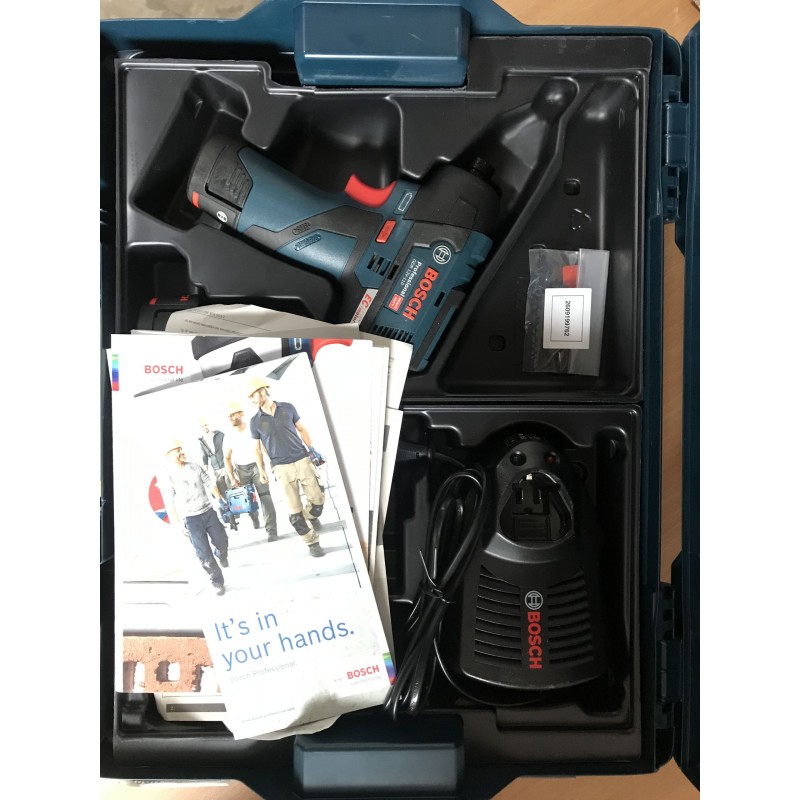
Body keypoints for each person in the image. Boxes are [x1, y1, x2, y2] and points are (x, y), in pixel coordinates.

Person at [247, 375, 326, 558]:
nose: (251, 400)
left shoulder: (287, 408)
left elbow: (302, 429)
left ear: (262, 392)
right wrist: (262, 470)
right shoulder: (255, 421)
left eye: (252, 396)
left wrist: (312, 449)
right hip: (281, 467)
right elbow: (257, 449)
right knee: (295, 513)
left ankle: (311, 516)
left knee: (318, 501)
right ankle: (312, 543)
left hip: (302, 459)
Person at [163, 439, 229, 596]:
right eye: (177, 450)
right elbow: (170, 504)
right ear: (169, 455)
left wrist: (220, 500)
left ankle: (221, 554)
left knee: (222, 541)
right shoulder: (169, 476)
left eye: (181, 449)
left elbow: (209, 483)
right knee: (204, 555)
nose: (181, 452)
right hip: (191, 520)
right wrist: (179, 526)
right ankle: (217, 582)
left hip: (208, 512)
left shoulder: (194, 467)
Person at [222, 400, 279, 538]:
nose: (230, 418)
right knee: (248, 502)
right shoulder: (228, 436)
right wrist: (232, 478)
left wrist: (271, 463)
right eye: (228, 416)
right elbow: (227, 458)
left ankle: (271, 530)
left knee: (266, 498)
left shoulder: (252, 428)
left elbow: (263, 446)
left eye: (232, 415)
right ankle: (254, 516)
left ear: (241, 414)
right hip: (241, 470)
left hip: (257, 467)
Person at [197, 418, 227, 497]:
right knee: (223, 492)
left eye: (205, 425)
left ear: (209, 425)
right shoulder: (202, 441)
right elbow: (204, 456)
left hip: (226, 465)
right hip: (216, 470)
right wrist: (205, 469)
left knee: (232, 488)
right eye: (202, 426)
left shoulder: (219, 434)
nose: (205, 427)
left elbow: (228, 446)